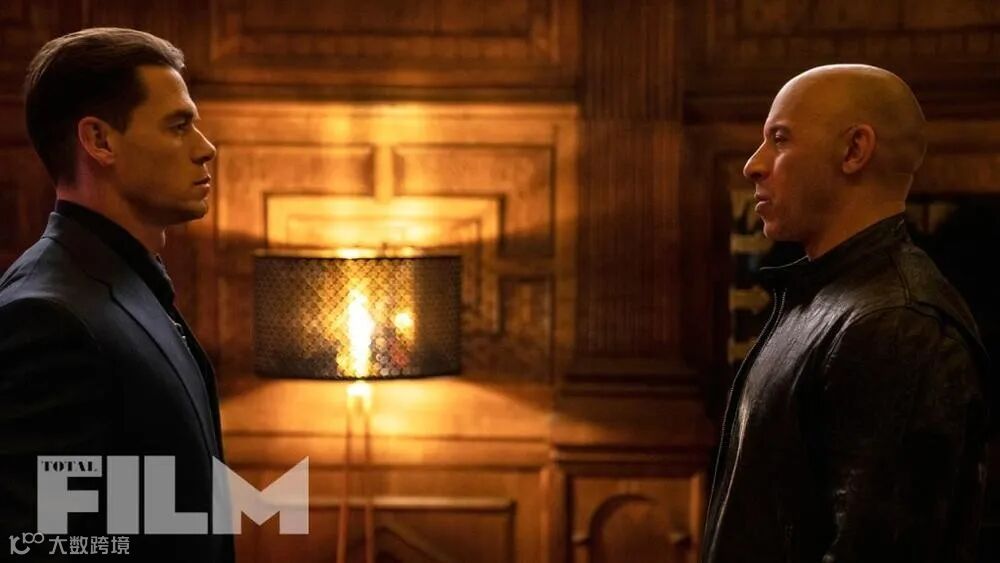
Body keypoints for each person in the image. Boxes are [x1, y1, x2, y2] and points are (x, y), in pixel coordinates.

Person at [702, 64, 992, 562]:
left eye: (779, 139)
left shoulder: (897, 324)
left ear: (855, 150)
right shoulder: (829, 298)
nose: (753, 165)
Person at [0, 28, 233, 562]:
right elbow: (43, 546)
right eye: (178, 126)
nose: (206, 149)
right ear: (99, 141)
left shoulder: (121, 284)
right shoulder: (48, 316)